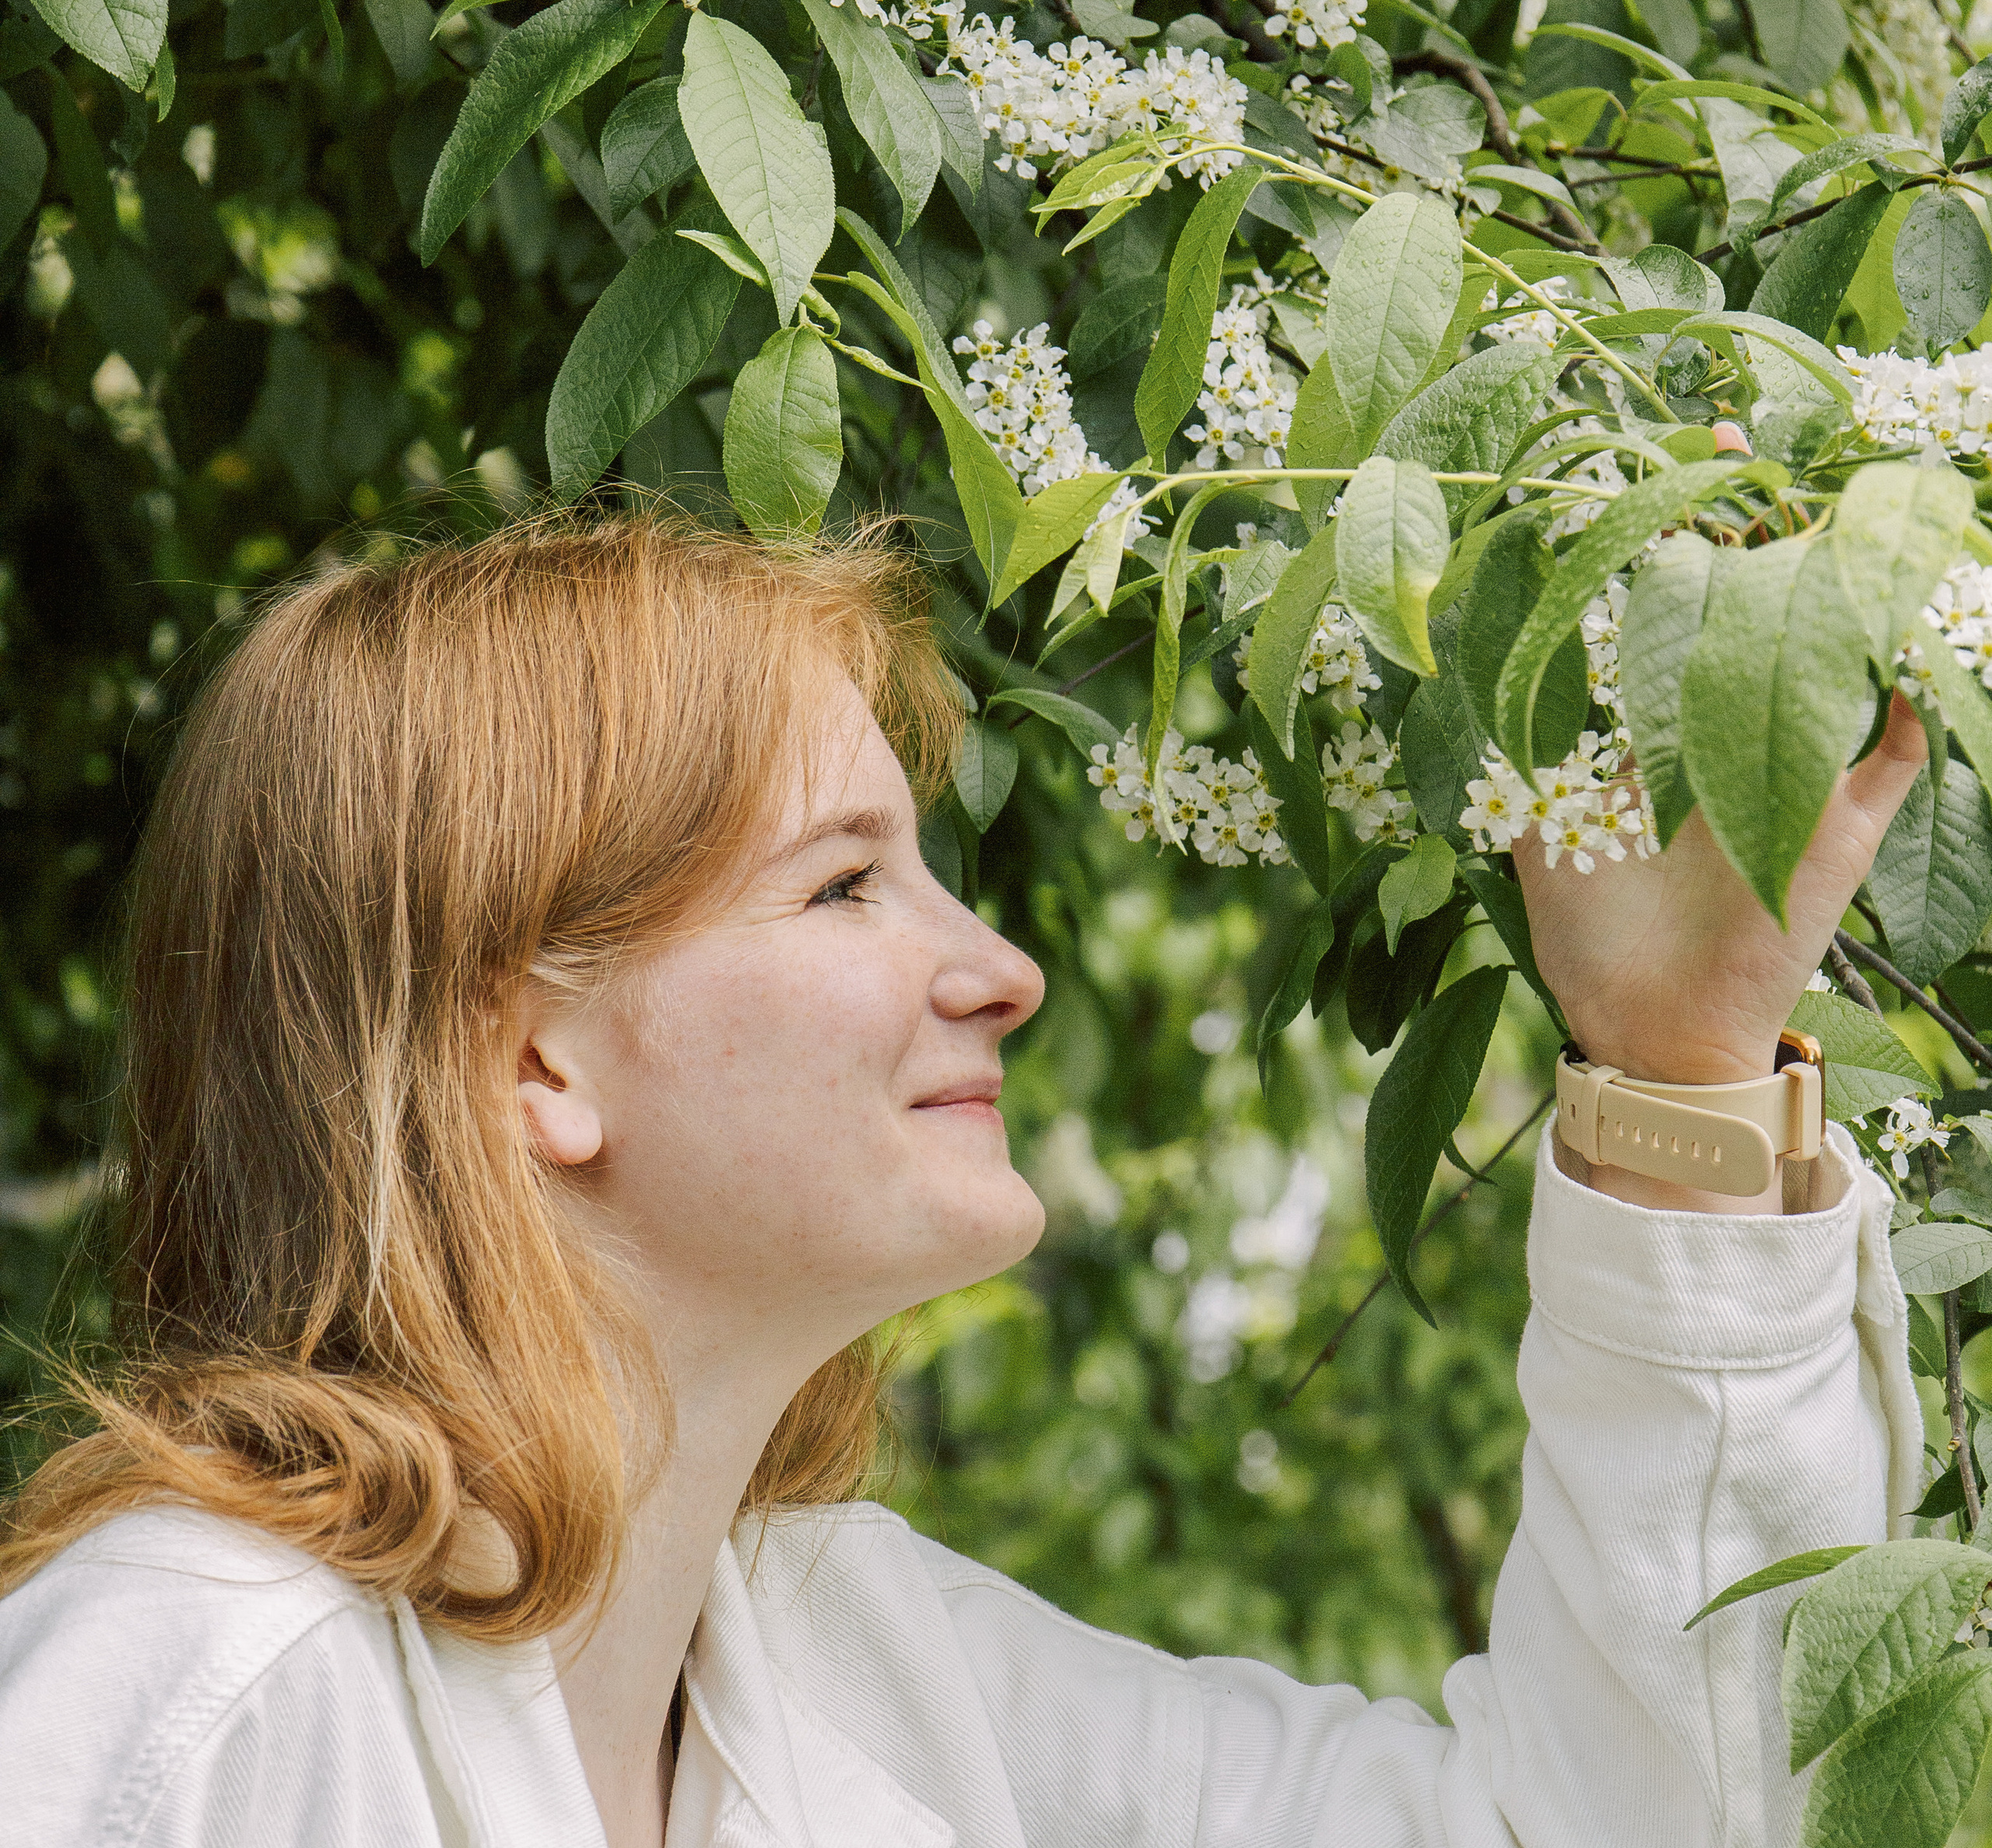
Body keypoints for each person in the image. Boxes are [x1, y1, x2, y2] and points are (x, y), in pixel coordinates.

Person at [0, 507, 1925, 1848]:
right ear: (527, 1056)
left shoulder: (865, 1666)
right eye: (843, 881)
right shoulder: (194, 1688)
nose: (1000, 966)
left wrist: (1675, 1074)